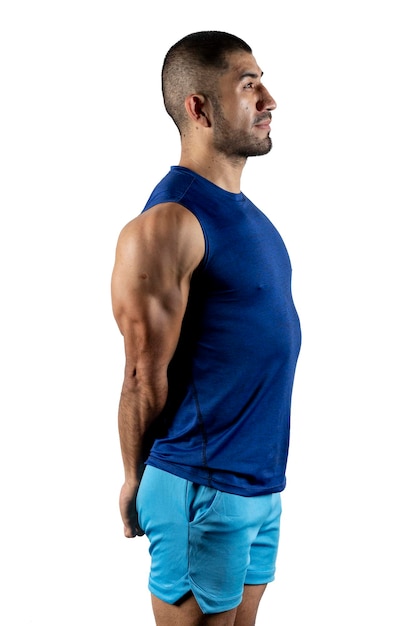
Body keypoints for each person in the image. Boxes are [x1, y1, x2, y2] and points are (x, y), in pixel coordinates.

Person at [111, 31, 301, 626]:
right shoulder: (169, 223)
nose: (269, 100)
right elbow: (143, 372)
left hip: (258, 483)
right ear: (199, 108)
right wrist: (133, 478)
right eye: (249, 87)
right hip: (199, 485)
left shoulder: (250, 218)